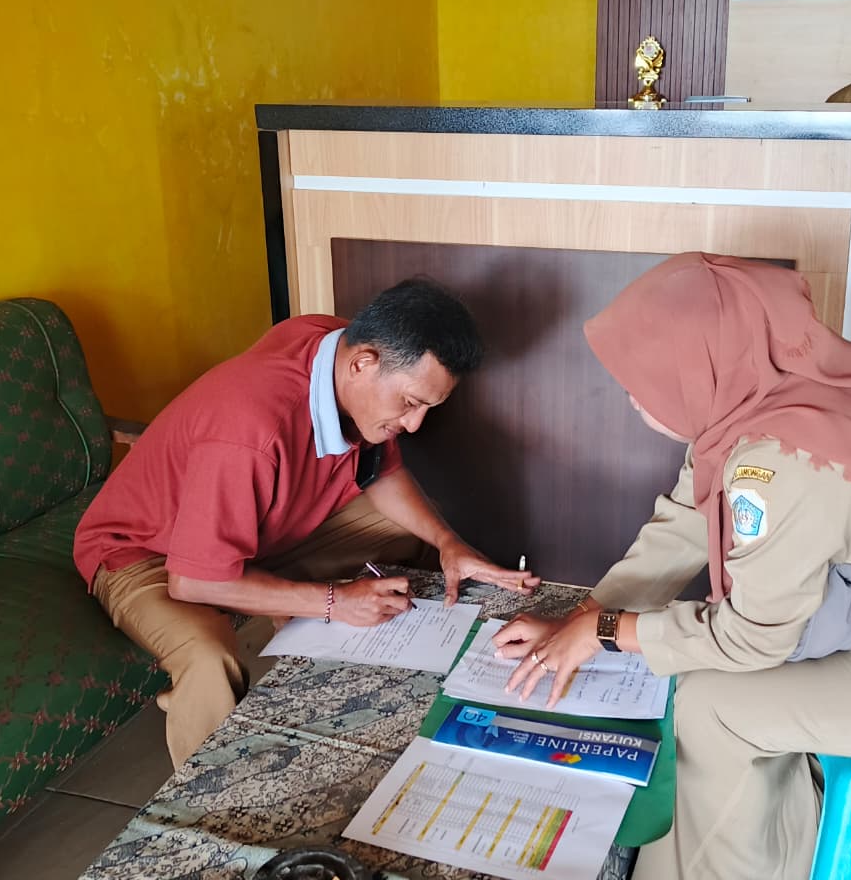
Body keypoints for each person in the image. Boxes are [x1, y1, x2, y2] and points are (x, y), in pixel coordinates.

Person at [493, 253, 851, 880]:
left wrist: (608, 631)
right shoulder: (775, 390)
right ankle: (809, 857)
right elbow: (687, 517)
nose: (633, 397)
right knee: (703, 679)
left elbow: (754, 636)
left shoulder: (782, 461)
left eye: (642, 381)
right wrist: (587, 616)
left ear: (698, 371)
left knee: (714, 709)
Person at [75, 278, 540, 767]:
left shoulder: (335, 347)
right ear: (363, 364)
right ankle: (213, 795)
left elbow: (379, 470)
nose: (414, 424)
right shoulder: (247, 431)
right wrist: (335, 601)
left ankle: (380, 679)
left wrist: (448, 543)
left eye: (428, 406)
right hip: (149, 555)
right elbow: (195, 581)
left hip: (263, 529)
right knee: (209, 659)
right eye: (409, 402)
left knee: (412, 529)